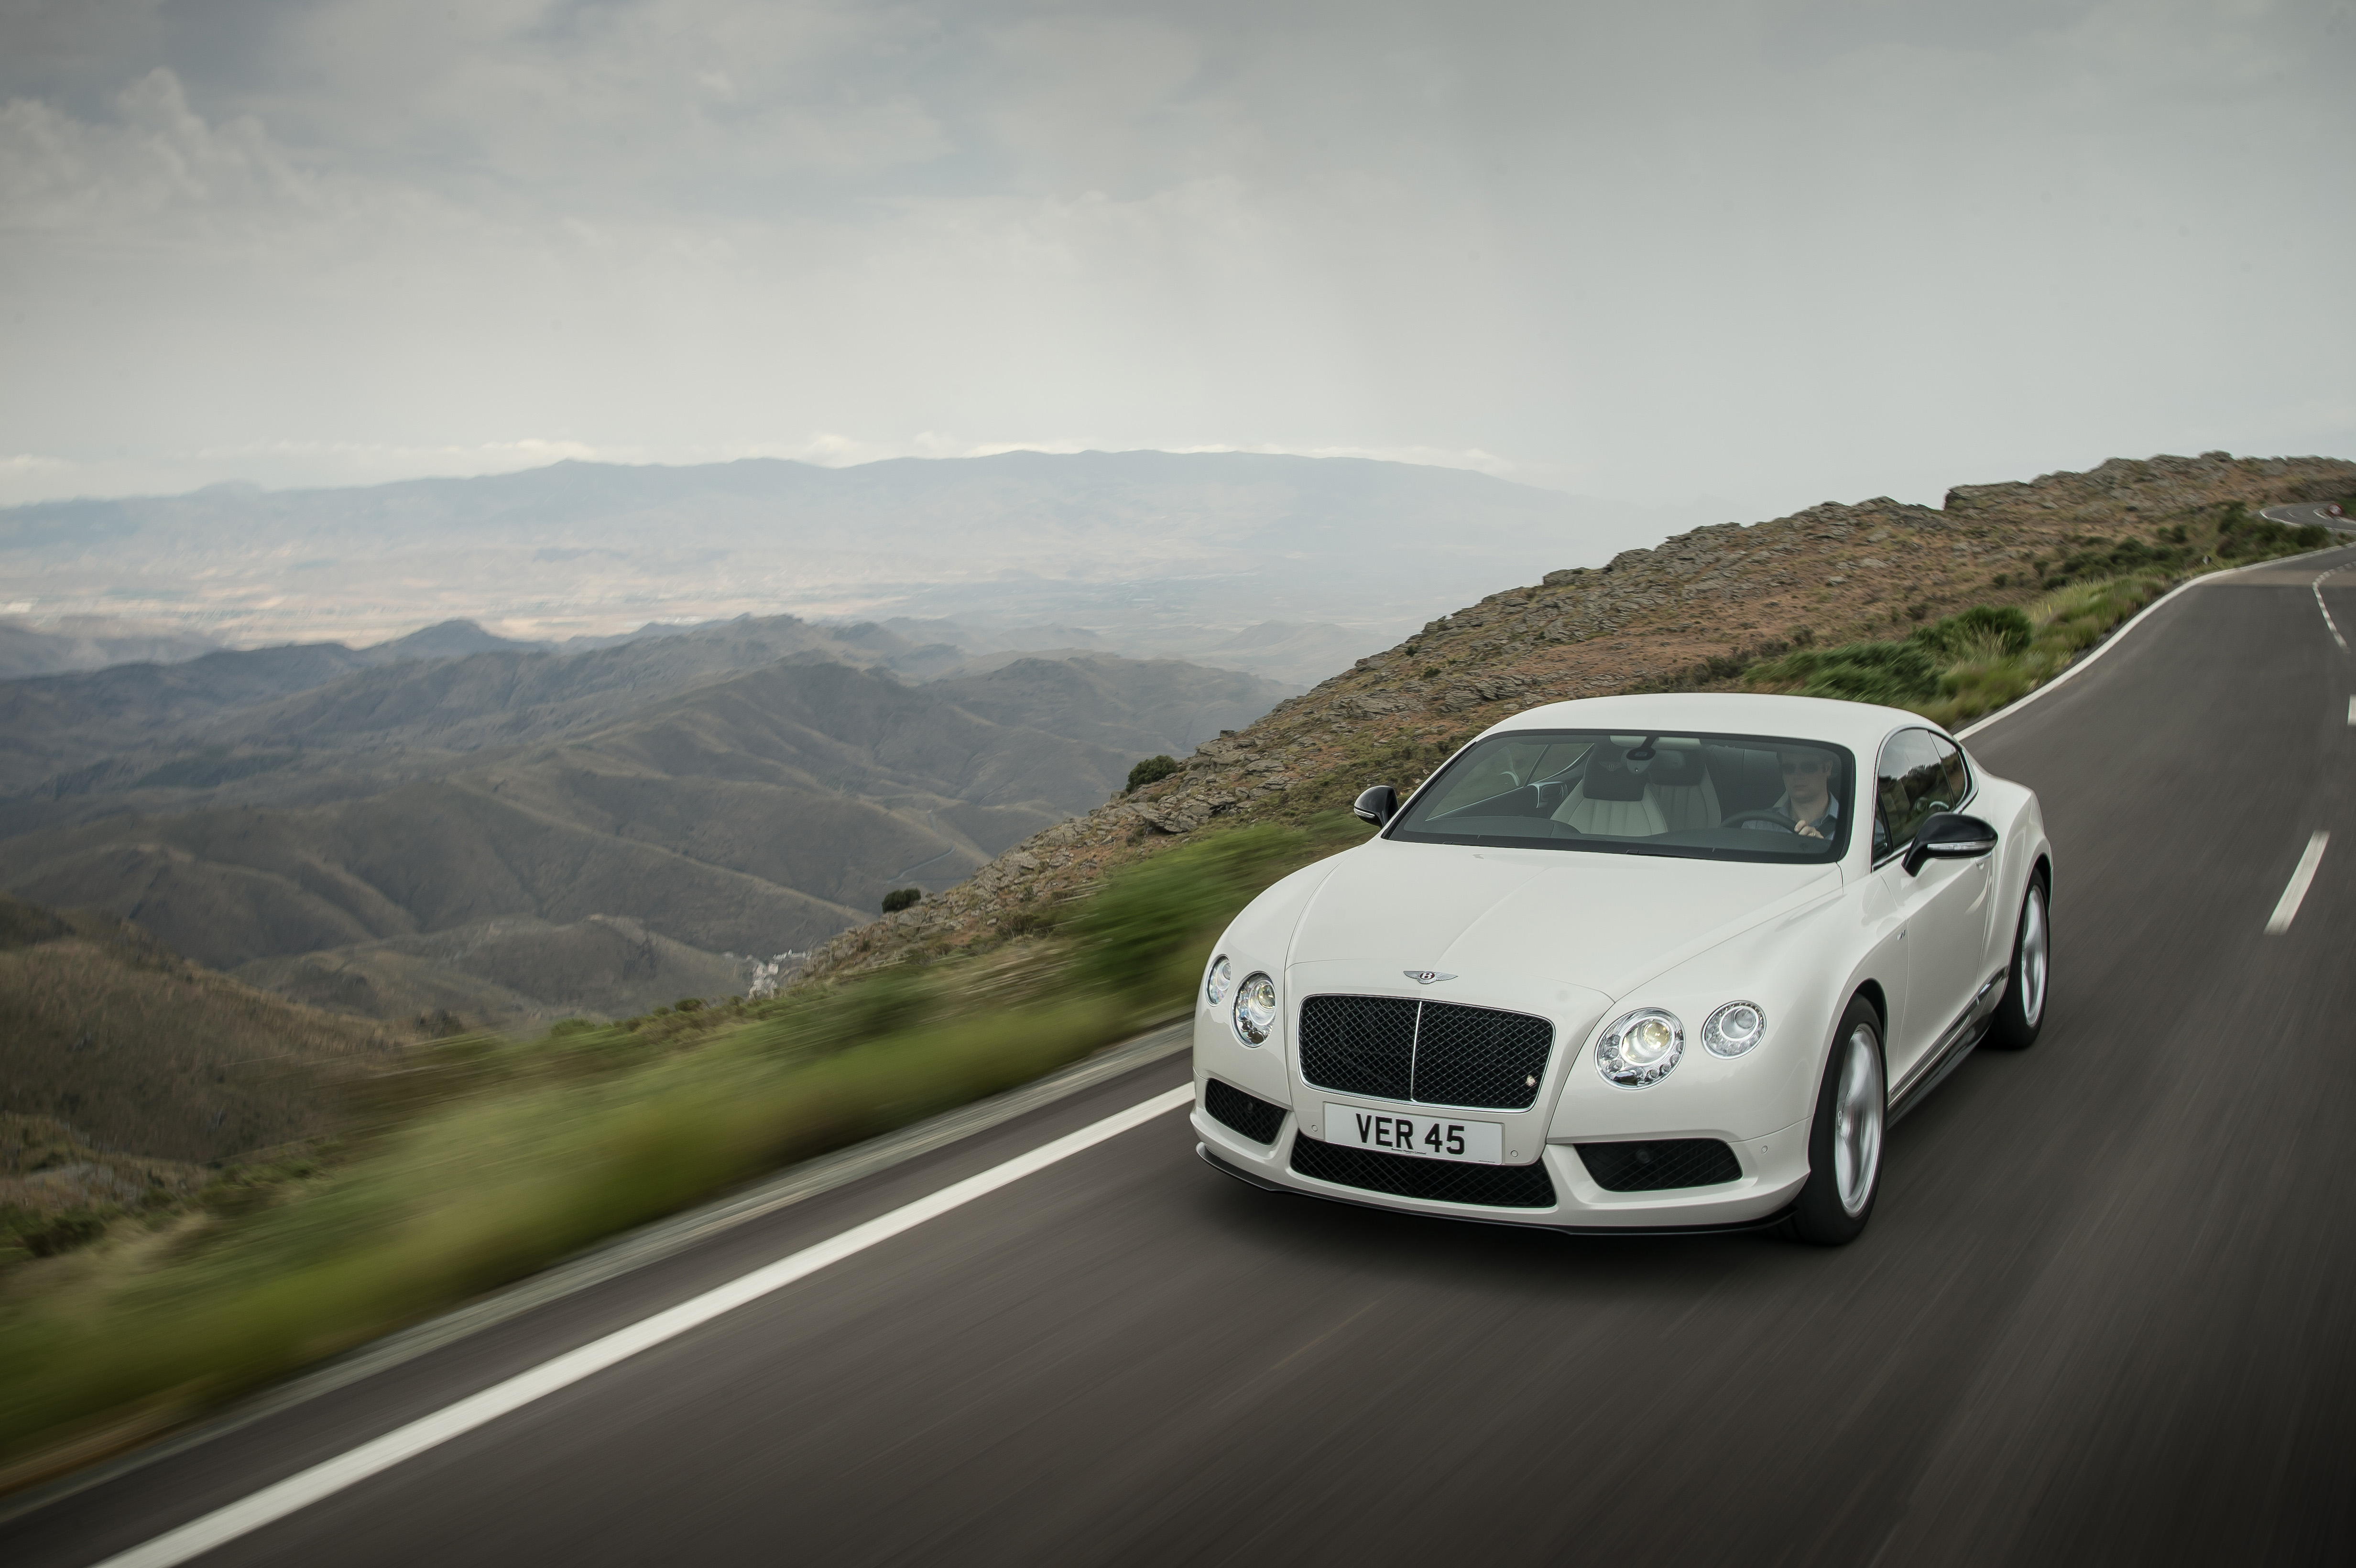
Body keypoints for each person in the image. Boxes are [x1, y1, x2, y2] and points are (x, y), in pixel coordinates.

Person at [1744, 750, 1842, 839]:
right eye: (1789, 768)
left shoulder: (1853, 824)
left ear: (1828, 768)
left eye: (1808, 767)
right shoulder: (1756, 827)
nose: (1797, 775)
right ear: (1782, 773)